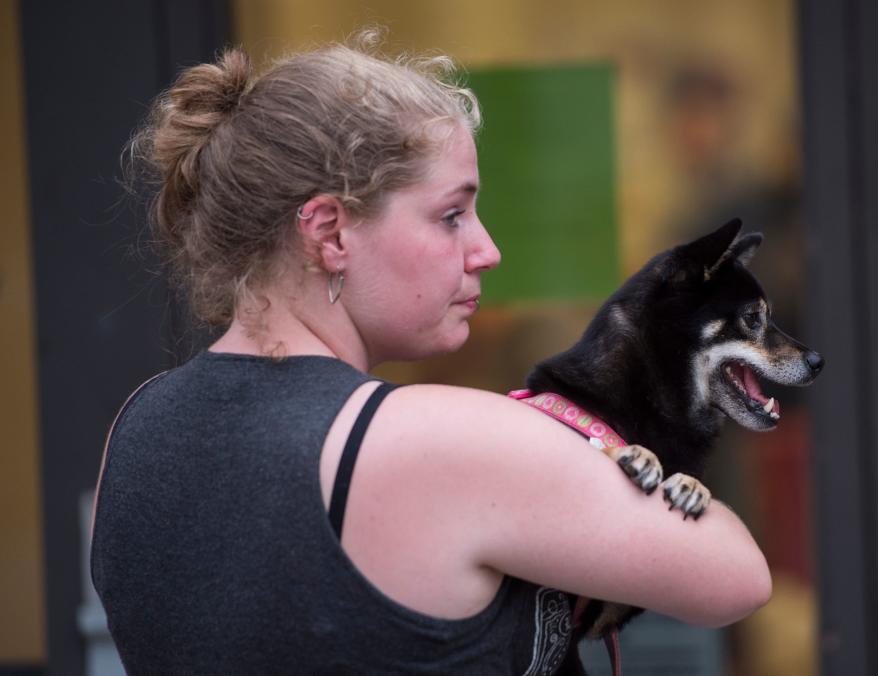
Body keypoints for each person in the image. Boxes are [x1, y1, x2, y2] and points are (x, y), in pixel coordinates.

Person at [91, 33, 771, 675]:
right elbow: (736, 575)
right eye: (451, 216)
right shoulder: (434, 437)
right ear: (329, 232)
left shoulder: (138, 426)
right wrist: (598, 445)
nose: (487, 250)